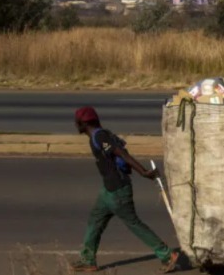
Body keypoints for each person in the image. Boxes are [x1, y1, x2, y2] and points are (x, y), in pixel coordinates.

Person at [71, 106, 179, 273]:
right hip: (108, 190)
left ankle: (166, 255)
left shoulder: (100, 137)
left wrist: (143, 172)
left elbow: (121, 153)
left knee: (134, 224)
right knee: (95, 221)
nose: (75, 125)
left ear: (83, 123)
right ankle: (88, 260)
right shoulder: (96, 136)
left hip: (118, 190)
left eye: (76, 122)